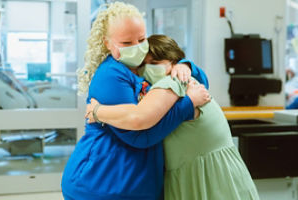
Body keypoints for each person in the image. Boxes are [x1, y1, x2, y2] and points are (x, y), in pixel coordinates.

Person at [61, 3, 210, 200]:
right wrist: (187, 105)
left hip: (137, 183)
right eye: (126, 43)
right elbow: (139, 134)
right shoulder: (111, 74)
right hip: (100, 184)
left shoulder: (142, 65)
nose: (136, 48)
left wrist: (184, 66)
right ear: (107, 43)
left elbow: (201, 82)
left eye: (141, 39)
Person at [86, 35, 260, 200]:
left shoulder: (171, 83)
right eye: (143, 65)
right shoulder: (178, 82)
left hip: (205, 180)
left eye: (155, 63)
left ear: (174, 63)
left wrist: (98, 112)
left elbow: (139, 121)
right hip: (221, 176)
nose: (148, 70)